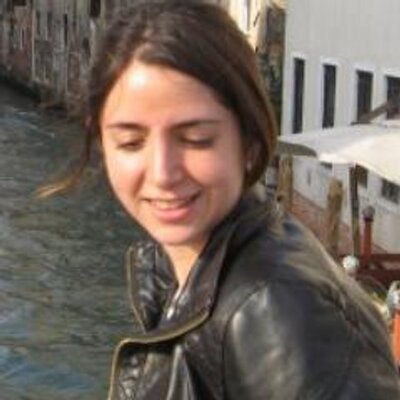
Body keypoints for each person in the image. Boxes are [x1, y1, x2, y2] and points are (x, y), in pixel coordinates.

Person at [45, 1, 400, 398]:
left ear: (249, 142)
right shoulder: (198, 269)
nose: (162, 173)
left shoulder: (274, 310)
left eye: (196, 139)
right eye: (131, 142)